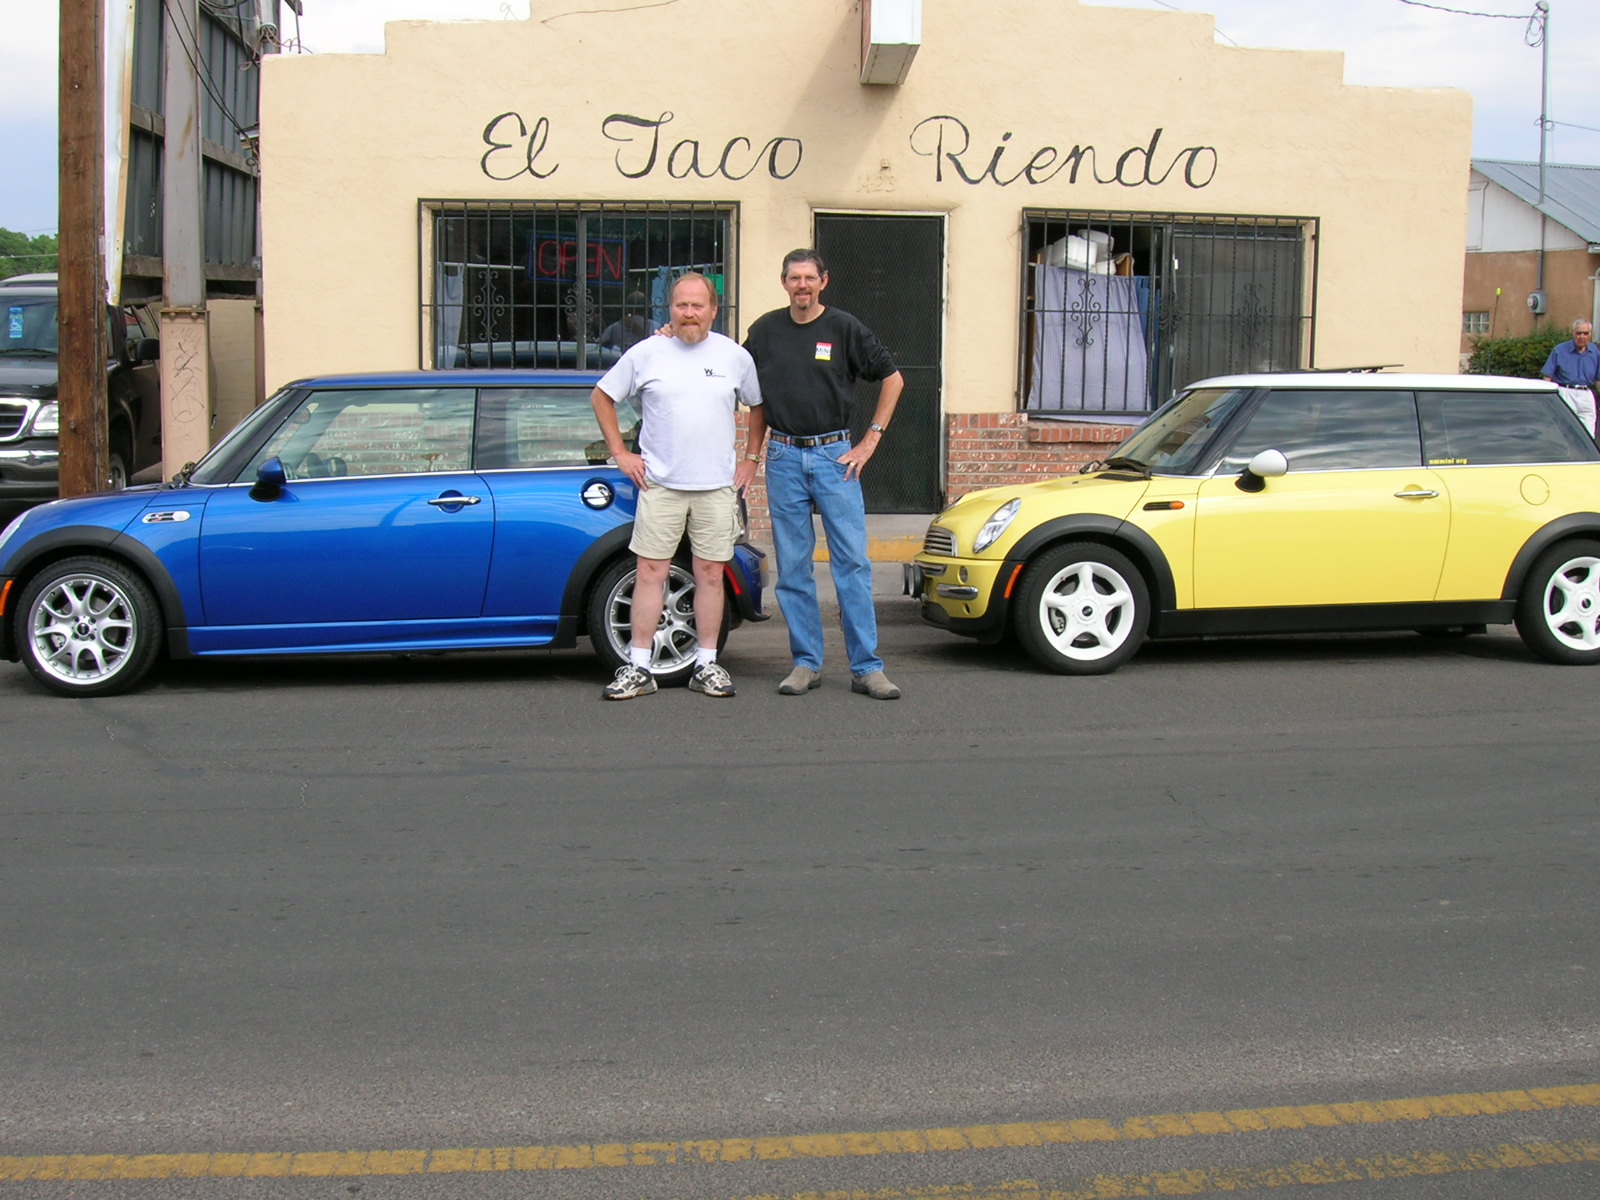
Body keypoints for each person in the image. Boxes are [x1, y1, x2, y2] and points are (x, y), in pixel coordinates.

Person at [591, 273, 764, 700]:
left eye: (697, 306)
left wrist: (750, 458)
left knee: (709, 574)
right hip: (660, 485)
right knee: (651, 573)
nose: (689, 314)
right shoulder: (647, 352)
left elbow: (758, 406)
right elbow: (602, 396)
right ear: (670, 309)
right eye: (681, 305)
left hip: (715, 486)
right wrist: (620, 452)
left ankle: (706, 665)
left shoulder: (734, 356)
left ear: (713, 310)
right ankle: (639, 667)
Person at [743, 249, 906, 700]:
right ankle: (806, 663)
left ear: (823, 281)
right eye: (794, 278)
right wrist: (670, 337)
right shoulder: (765, 331)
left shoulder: (844, 328)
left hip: (836, 456)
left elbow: (892, 379)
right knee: (793, 567)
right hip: (784, 457)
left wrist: (870, 440)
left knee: (852, 563)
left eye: (809, 278)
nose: (802, 285)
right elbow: (740, 385)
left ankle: (867, 667)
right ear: (784, 283)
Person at [1541, 319, 1599, 436]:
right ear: (1573, 333)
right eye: (1578, 333)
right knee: (1565, 432)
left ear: (1590, 334)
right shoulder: (1560, 350)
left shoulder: (1595, 352)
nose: (1582, 337)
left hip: (1586, 394)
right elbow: (1547, 377)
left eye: (1585, 333)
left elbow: (1598, 380)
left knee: (1588, 435)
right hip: (1565, 392)